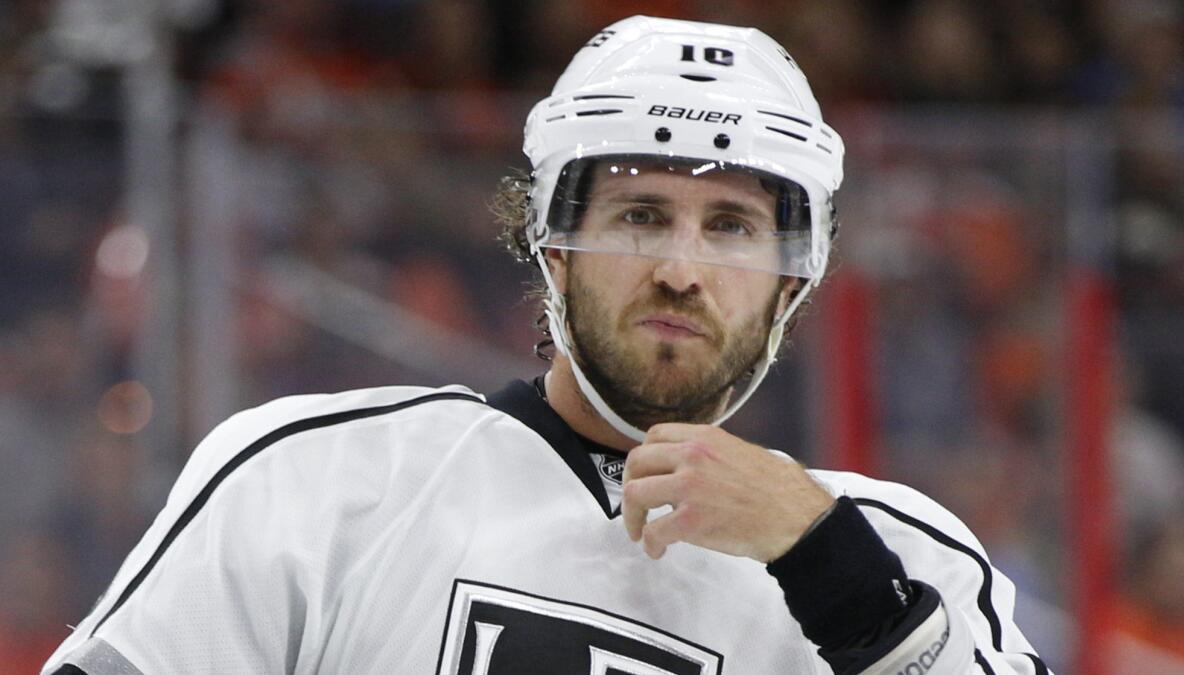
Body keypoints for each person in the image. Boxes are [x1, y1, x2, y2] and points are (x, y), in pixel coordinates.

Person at [42, 16, 1050, 674]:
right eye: (639, 216)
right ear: (551, 248)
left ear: (796, 279)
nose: (682, 269)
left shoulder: (902, 558)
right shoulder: (319, 481)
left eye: (732, 227)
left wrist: (839, 577)